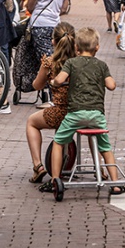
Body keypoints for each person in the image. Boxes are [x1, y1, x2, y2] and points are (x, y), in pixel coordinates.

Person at [49, 27, 124, 195]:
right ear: (97, 47)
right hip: (97, 115)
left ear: (76, 47)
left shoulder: (71, 63)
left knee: (58, 142)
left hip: (75, 114)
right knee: (105, 148)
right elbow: (111, 85)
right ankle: (116, 183)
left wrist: (54, 82)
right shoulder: (102, 65)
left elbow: (60, 80)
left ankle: (56, 179)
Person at [25, 22, 76, 184]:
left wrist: (44, 70)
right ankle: (100, 168)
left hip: (60, 112)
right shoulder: (79, 61)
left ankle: (38, 165)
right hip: (79, 111)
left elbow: (36, 85)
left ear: (53, 41)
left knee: (32, 122)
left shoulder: (50, 62)